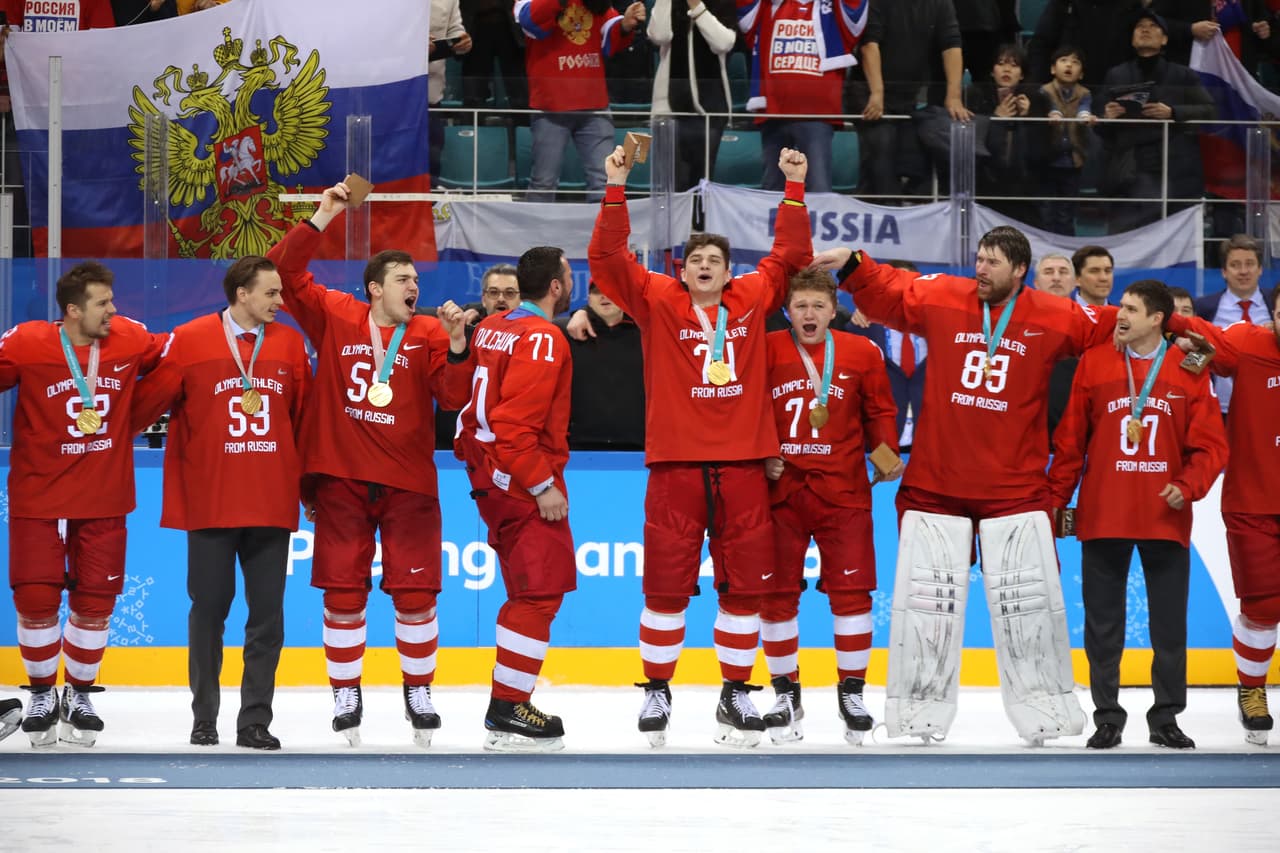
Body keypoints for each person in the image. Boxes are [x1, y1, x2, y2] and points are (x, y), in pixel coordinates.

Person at [812, 226, 1119, 744]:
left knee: (1030, 608)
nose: (981, 269)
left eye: (992, 262)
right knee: (926, 609)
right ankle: (916, 714)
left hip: (1015, 489)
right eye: (978, 259)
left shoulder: (1053, 313)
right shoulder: (946, 297)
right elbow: (891, 289)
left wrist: (1181, 326)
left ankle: (1045, 710)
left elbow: (1125, 324)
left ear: (1019, 270)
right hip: (937, 484)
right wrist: (850, 263)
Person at [587, 145, 813, 748]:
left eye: (715, 259)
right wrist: (616, 187)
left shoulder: (752, 299)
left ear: (728, 269)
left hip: (742, 467)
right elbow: (606, 260)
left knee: (745, 589)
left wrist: (793, 188)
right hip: (676, 467)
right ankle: (657, 689)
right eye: (696, 260)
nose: (706, 266)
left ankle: (735, 694)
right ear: (681, 270)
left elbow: (791, 256)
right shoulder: (657, 301)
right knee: (664, 588)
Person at [265, 180, 473, 747]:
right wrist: (324, 214)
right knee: (343, 592)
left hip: (408, 483)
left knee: (416, 593)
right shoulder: (336, 314)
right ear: (374, 288)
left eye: (417, 280)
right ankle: (345, 693)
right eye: (404, 280)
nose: (415, 287)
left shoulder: (429, 330)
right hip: (341, 476)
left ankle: (418, 690)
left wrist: (458, 346)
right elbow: (282, 275)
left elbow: (452, 398)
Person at [130, 256, 311, 750]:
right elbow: (146, 407)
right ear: (241, 294)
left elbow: (303, 420)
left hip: (270, 501)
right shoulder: (188, 340)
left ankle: (254, 720)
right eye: (271, 293)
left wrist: (308, 488)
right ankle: (204, 716)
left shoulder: (291, 344)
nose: (280, 301)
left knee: (267, 617)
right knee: (208, 611)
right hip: (210, 501)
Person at [1048, 279, 1228, 750]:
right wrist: (1057, 503)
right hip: (1104, 513)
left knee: (1169, 625)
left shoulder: (1191, 370)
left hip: (1163, 516)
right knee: (1102, 626)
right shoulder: (1094, 363)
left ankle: (1166, 717)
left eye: (1130, 309)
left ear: (1156, 319)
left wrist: (1187, 487)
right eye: (1119, 307)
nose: (1119, 316)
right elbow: (1070, 444)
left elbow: (1211, 445)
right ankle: (1107, 716)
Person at [0, 261, 166, 748]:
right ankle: (41, 694)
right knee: (35, 600)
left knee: (95, 601)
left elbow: (176, 365)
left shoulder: (131, 338)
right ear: (72, 310)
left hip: (103, 492)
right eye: (103, 303)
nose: (114, 310)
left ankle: (79, 693)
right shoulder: (27, 342)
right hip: (38, 492)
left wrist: (134, 419)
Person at [759, 267, 901, 746]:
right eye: (800, 305)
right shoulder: (767, 348)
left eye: (818, 305)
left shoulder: (862, 351)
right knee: (776, 594)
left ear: (833, 308)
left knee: (853, 595)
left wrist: (885, 456)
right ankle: (785, 693)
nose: (809, 313)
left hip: (844, 489)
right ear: (787, 310)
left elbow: (881, 409)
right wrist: (763, 454)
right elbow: (748, 408)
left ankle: (852, 692)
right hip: (783, 491)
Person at [455, 245, 575, 751]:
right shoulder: (543, 338)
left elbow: (475, 411)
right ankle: (508, 707)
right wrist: (540, 483)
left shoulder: (492, 326)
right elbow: (513, 423)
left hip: (491, 476)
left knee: (528, 592)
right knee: (539, 593)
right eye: (569, 277)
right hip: (521, 480)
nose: (572, 284)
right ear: (555, 286)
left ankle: (508, 701)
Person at [1168, 293, 1280, 745]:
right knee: (1264, 607)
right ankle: (1252, 690)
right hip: (1253, 500)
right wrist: (1157, 308)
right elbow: (1199, 335)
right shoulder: (1247, 343)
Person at [1097, 9, 1214, 234]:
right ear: (1131, 39)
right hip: (1127, 170)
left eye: (1153, 26)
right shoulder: (1116, 75)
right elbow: (1099, 124)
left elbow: (1210, 111)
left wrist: (1172, 112)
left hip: (1173, 167)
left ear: (1165, 39)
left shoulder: (1183, 75)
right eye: (1139, 26)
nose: (1145, 29)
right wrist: (1106, 116)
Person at [516, 0, 646, 202]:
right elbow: (531, 23)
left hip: (594, 105)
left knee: (604, 182)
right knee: (544, 182)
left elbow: (609, 36)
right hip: (550, 107)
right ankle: (537, 233)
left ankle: (605, 233)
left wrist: (624, 25)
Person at [738, 0, 867, 192]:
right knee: (772, 189)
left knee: (819, 188)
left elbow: (855, 17)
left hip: (818, 116)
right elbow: (745, 10)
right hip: (774, 114)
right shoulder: (766, 8)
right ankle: (776, 224)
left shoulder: (833, 11)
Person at [857, 0, 970, 199]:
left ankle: (875, 211)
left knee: (905, 157)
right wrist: (877, 92)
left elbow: (951, 45)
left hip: (907, 96)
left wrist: (954, 96)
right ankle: (891, 215)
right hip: (868, 92)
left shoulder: (941, 4)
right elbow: (869, 45)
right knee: (883, 148)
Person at [427, 263, 520, 448]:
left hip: (505, 444)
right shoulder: (459, 330)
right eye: (493, 293)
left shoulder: (531, 339)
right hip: (452, 443)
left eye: (509, 293)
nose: (501, 299)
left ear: (522, 299)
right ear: (484, 299)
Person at [648, 0, 736, 192]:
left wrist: (697, 8)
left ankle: (699, 223)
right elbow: (659, 36)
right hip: (670, 110)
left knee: (701, 185)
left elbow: (724, 42)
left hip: (709, 111)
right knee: (673, 185)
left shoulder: (721, 4)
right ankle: (677, 224)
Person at [1193, 234, 1278, 417]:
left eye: (1249, 264)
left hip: (1269, 407)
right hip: (1219, 409)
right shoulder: (1204, 308)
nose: (1243, 271)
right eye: (1235, 265)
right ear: (1224, 271)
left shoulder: (1275, 305)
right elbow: (1192, 362)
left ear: (1260, 269)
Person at [558, 282, 645, 450]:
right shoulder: (565, 333)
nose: (604, 296)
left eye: (611, 290)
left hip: (637, 447)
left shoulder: (646, 334)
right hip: (578, 446)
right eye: (597, 292)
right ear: (589, 299)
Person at [1039, 45, 1094, 236]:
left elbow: (1084, 109)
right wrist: (1052, 113)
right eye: (1063, 60)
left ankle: (1066, 249)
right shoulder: (1044, 91)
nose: (1069, 65)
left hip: (1073, 161)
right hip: (1048, 160)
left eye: (1075, 62)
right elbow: (1049, 106)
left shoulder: (1084, 93)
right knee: (1046, 208)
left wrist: (1085, 117)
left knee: (1067, 210)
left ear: (1081, 73)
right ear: (1053, 69)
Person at [428, 0, 472, 178]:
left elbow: (455, 29)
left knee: (431, 167)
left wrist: (463, 42)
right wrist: (412, 46)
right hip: (391, 96)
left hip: (431, 97)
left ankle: (429, 205)